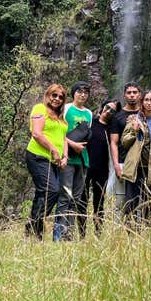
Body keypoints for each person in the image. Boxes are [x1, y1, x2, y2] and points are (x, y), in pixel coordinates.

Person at [25, 84, 68, 240]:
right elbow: (36, 133)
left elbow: (64, 139)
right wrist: (54, 150)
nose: (57, 99)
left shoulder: (60, 117)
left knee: (42, 193)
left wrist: (65, 157)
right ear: (48, 95)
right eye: (54, 95)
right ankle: (33, 224)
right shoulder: (39, 109)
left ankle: (35, 234)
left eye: (60, 97)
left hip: (54, 161)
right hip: (38, 156)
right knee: (52, 191)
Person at [54, 81, 92, 241]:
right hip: (68, 158)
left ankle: (68, 235)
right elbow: (59, 132)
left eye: (85, 92)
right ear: (73, 93)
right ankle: (58, 235)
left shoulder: (89, 113)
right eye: (79, 91)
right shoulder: (67, 108)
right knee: (65, 196)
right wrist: (72, 145)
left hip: (83, 159)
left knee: (76, 199)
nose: (82, 94)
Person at [121, 90, 151, 228]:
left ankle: (147, 231)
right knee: (131, 201)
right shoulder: (135, 119)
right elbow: (124, 142)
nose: (149, 102)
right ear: (142, 102)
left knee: (149, 202)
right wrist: (134, 130)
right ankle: (130, 231)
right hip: (135, 166)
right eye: (146, 100)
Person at [83, 99, 119, 236]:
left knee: (99, 203)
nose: (109, 111)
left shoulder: (111, 129)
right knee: (82, 201)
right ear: (103, 106)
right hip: (86, 167)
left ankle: (98, 233)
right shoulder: (91, 121)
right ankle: (82, 233)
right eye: (107, 107)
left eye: (113, 110)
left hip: (103, 170)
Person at [109, 82, 142, 217]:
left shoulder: (145, 114)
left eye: (135, 92)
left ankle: (137, 229)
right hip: (123, 161)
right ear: (124, 95)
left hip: (142, 162)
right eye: (129, 93)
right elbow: (114, 142)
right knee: (120, 199)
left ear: (139, 95)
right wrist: (116, 165)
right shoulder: (118, 116)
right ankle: (118, 231)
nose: (132, 95)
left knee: (140, 199)